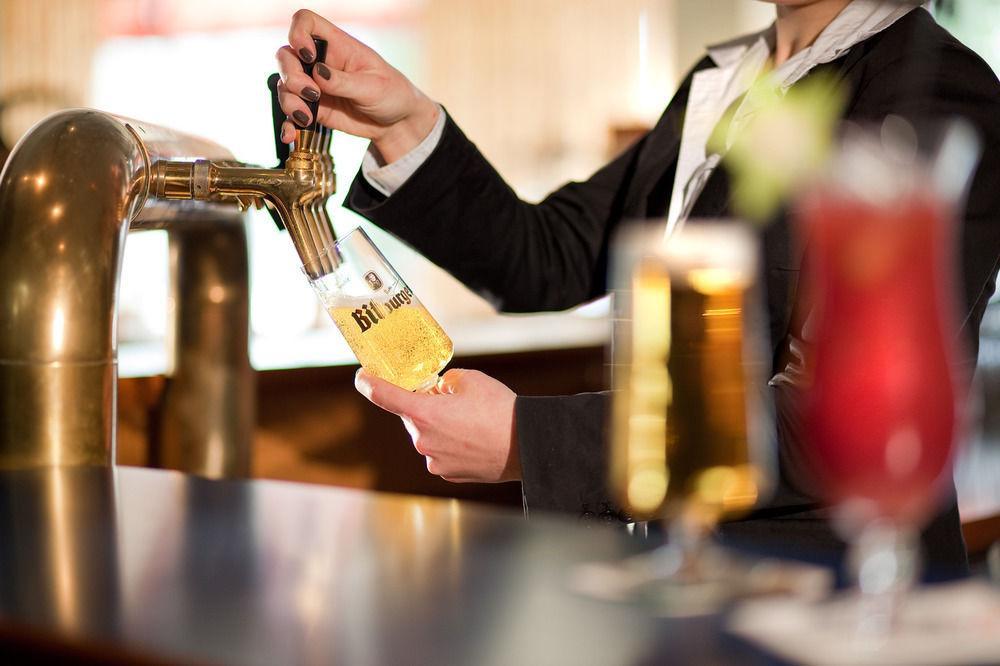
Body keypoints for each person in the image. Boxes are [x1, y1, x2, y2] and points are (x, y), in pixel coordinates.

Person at [276, 0, 1000, 572]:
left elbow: (829, 419)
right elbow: (549, 255)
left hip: (825, 598)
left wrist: (533, 441)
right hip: (682, 576)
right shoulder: (728, 81)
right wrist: (405, 121)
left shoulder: (934, 86)